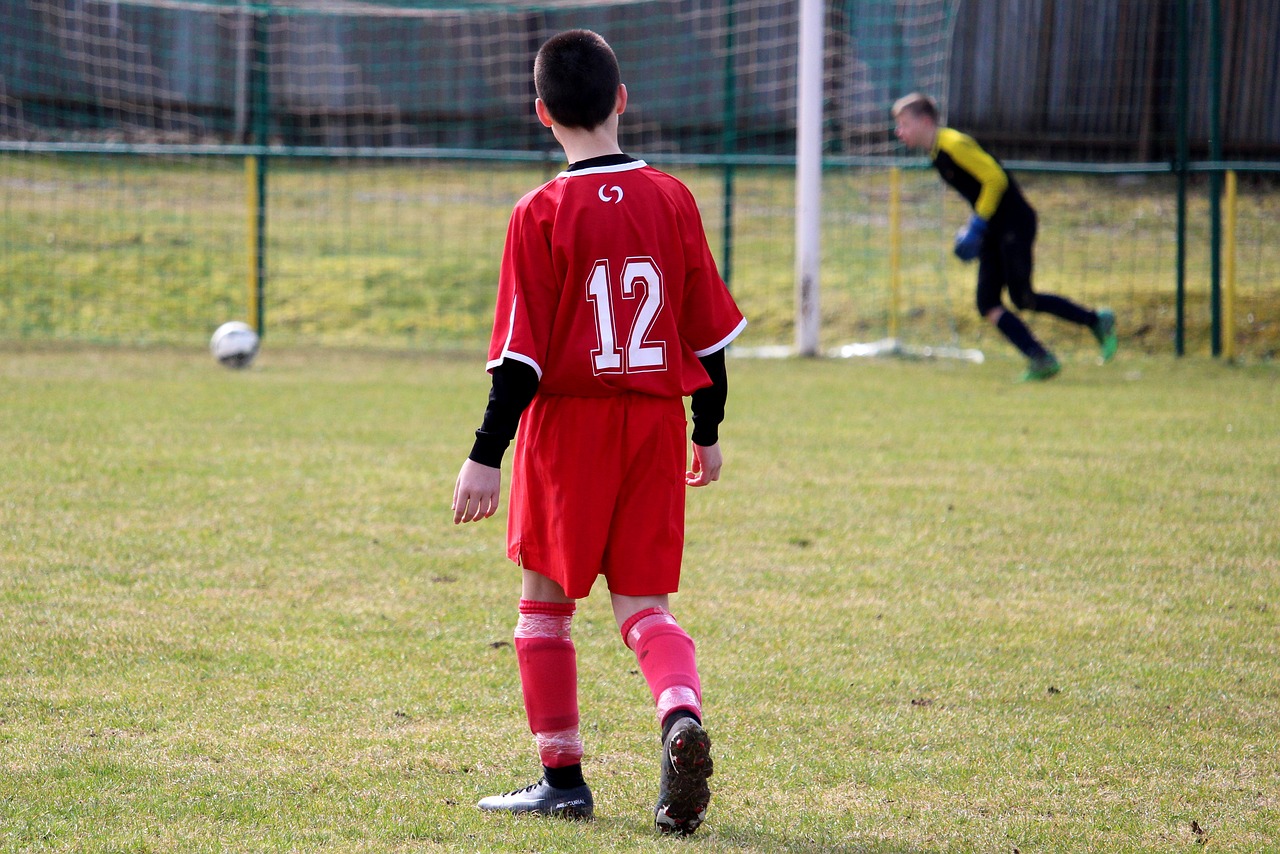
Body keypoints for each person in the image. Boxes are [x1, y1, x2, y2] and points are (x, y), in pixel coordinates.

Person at [451, 29, 746, 836]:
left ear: (542, 113)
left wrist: (485, 456)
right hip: (653, 423)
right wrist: (707, 430)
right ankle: (678, 710)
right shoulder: (673, 197)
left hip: (568, 429)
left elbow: (519, 360)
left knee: (545, 605)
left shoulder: (540, 212)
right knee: (644, 604)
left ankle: (563, 779)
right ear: (622, 100)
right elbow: (710, 338)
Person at [891, 92, 1118, 381]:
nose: (900, 132)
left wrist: (976, 225)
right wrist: (976, 227)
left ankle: (1097, 321)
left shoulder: (953, 144)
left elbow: (995, 178)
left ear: (924, 121)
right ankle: (1040, 358)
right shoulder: (936, 153)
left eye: (904, 124)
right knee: (987, 302)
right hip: (993, 228)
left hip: (1013, 222)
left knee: (1023, 297)